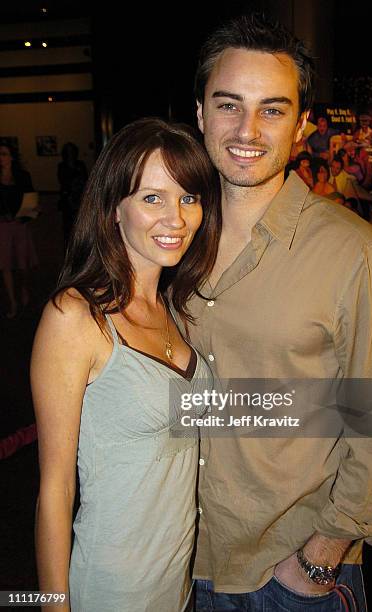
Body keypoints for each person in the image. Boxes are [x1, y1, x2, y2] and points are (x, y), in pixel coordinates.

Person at [182, 13, 372, 611]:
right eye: (229, 105)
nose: (248, 129)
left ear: (302, 124)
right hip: (179, 558)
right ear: (201, 114)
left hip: (288, 575)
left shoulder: (354, 253)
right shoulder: (168, 239)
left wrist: (322, 551)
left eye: (273, 109)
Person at [31, 118, 221, 612]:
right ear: (114, 209)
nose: (176, 219)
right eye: (152, 198)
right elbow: (55, 488)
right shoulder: (75, 317)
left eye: (189, 197)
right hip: (112, 589)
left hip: (177, 584)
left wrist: (370, 415)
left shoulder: (177, 309)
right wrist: (54, 607)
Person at [0, 142, 38, 318]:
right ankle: (13, 301)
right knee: (5, 264)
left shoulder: (22, 176)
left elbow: (31, 199)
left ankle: (24, 288)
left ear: (12, 157)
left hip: (20, 224)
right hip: (2, 226)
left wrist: (24, 215)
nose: (1, 158)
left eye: (4, 154)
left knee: (23, 265)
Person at [57, 142, 88, 247]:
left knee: (81, 223)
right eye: (68, 152)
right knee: (68, 225)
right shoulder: (62, 166)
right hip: (68, 199)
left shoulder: (80, 164)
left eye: (72, 151)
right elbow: (63, 181)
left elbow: (85, 179)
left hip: (80, 197)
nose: (70, 154)